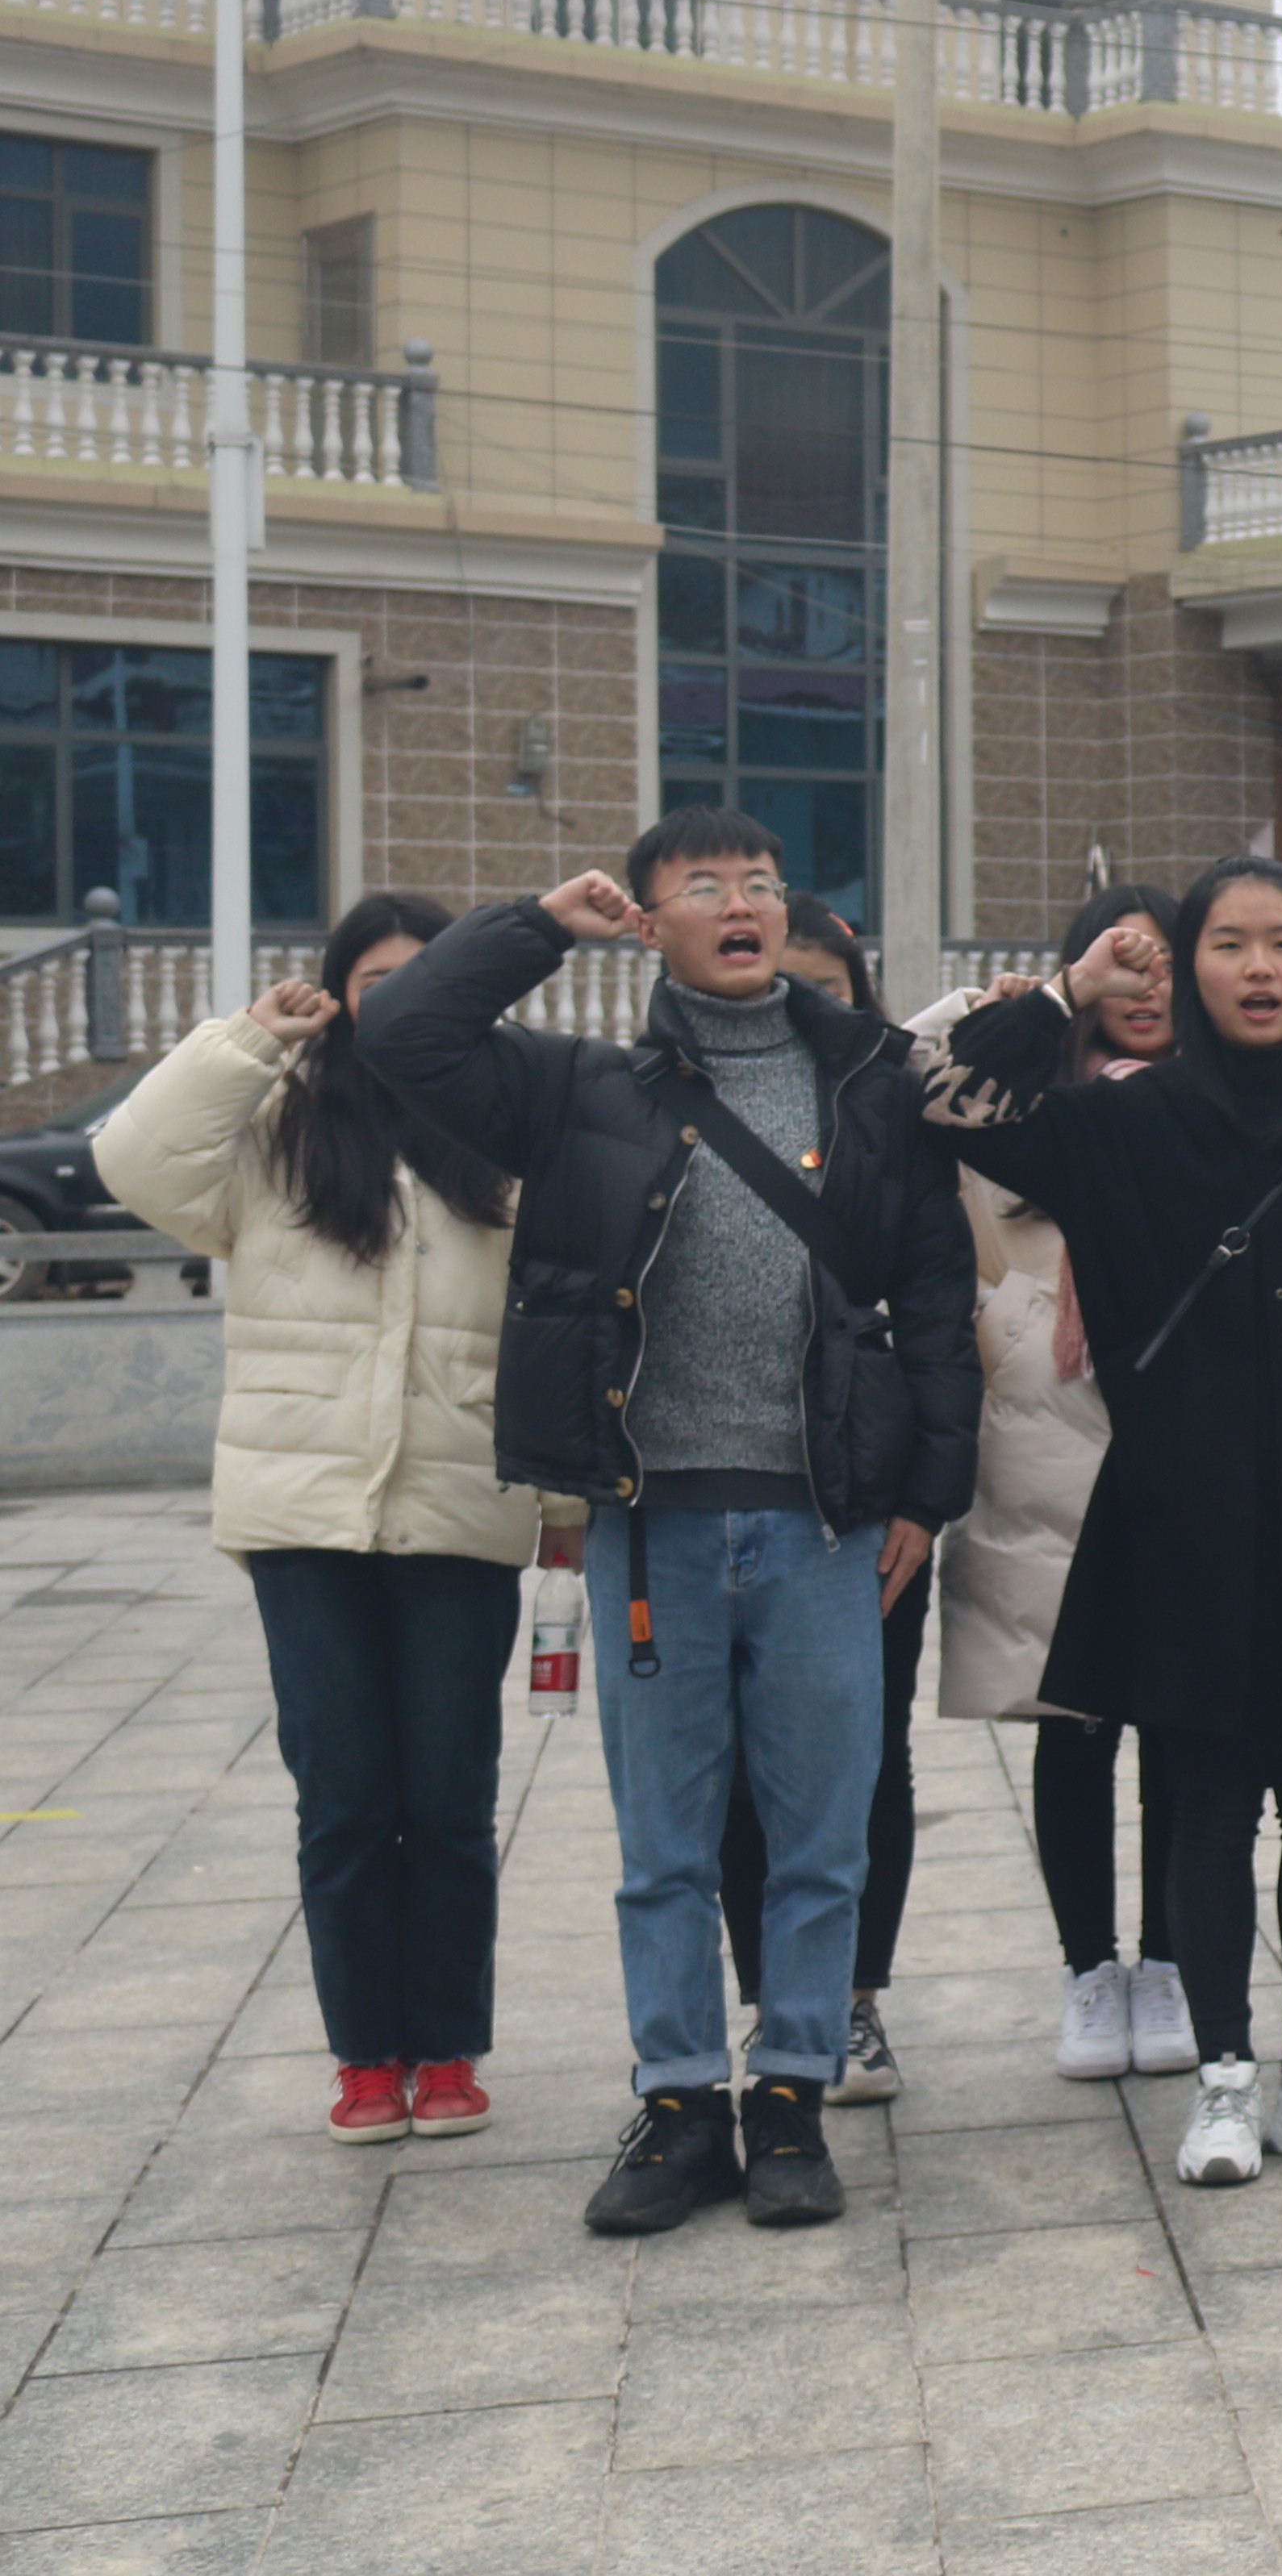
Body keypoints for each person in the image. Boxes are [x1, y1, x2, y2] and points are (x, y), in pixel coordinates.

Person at [357, 814, 979, 2237]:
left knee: (820, 1835)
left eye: (761, 882)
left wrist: (927, 1498)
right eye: (704, 886)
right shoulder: (576, 1090)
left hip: (823, 1525)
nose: (742, 903)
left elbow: (937, 1299)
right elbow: (400, 1031)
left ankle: (793, 2097)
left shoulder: (869, 1085)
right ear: (647, 922)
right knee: (666, 1849)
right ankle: (683, 2103)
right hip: (654, 1526)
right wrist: (537, 925)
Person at [926, 859, 1282, 2186]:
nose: (1258, 967)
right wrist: (1066, 993)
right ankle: (1225, 2077)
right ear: (1184, 967)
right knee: (1210, 1806)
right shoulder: (1124, 1121)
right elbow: (949, 1104)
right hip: (1183, 1516)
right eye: (1226, 943)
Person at [96, 895, 553, 2146]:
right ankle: (365, 2057)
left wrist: (564, 1506)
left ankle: (446, 2049)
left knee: (448, 1797)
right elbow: (133, 1164)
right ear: (338, 993)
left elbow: (560, 1324)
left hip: (462, 1510)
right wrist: (249, 1041)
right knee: (344, 1798)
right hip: (303, 1520)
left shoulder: (507, 1133)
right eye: (374, 977)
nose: (397, 997)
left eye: (425, 976)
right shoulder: (276, 1128)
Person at [922, 886, 1198, 2086]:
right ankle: (1091, 1969)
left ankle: (1172, 1960)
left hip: (1177, 1444)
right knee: (1070, 1729)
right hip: (1042, 1448)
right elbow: (912, 1075)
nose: (1143, 984)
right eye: (1115, 963)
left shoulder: (1220, 1107)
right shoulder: (1023, 1103)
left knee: (1184, 1730)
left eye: (1163, 961)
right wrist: (1032, 1007)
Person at [710, 890, 924, 2103]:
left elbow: (938, 1310)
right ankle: (772, 2004)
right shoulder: (680, 1103)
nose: (800, 1014)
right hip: (721, 1487)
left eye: (827, 994)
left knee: (866, 1756)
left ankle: (855, 2000)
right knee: (740, 1765)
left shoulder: (892, 1111)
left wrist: (927, 1497)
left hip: (867, 1494)